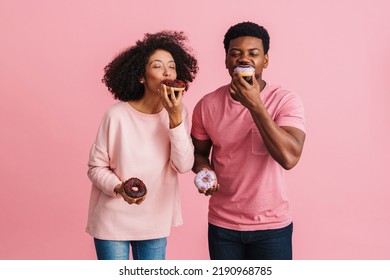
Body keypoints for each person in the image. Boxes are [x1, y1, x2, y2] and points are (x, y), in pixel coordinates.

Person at [191, 21, 306, 260]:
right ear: (226, 61)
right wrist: (204, 170)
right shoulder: (207, 105)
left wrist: (255, 104)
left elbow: (289, 157)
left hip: (272, 228)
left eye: (253, 53)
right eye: (236, 53)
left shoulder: (285, 100)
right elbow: (199, 154)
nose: (244, 59)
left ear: (265, 60)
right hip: (223, 226)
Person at [86, 31, 198, 260]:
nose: (168, 71)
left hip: (155, 222)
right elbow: (95, 168)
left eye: (172, 66)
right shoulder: (116, 116)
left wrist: (175, 117)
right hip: (113, 222)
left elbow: (184, 165)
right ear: (141, 76)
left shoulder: (179, 113)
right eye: (158, 66)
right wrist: (119, 188)